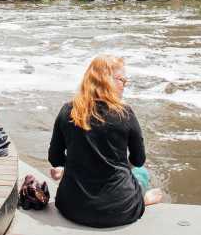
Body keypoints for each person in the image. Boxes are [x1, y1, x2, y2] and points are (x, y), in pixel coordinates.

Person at [48, 55, 163, 228]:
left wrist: (77, 167)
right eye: (123, 80)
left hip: (72, 208)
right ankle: (143, 199)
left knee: (74, 170)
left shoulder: (67, 111)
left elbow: (55, 158)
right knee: (143, 173)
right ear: (108, 81)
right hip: (120, 210)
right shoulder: (125, 113)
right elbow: (139, 160)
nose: (124, 85)